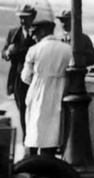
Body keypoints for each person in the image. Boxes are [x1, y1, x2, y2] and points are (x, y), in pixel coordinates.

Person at [21, 19, 72, 157]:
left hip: (38, 89)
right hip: (59, 90)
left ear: (42, 32)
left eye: (35, 33)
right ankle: (48, 158)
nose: (33, 37)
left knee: (35, 127)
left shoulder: (35, 50)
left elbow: (26, 77)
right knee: (53, 128)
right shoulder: (67, 49)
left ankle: (32, 159)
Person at [2, 4, 38, 138]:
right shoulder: (14, 33)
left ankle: (33, 138)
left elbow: (32, 52)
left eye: (26, 18)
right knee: (21, 108)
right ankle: (26, 138)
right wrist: (7, 53)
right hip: (18, 76)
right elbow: (4, 51)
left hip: (34, 76)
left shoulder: (38, 32)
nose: (23, 21)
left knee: (34, 108)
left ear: (33, 17)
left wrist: (16, 52)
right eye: (21, 18)